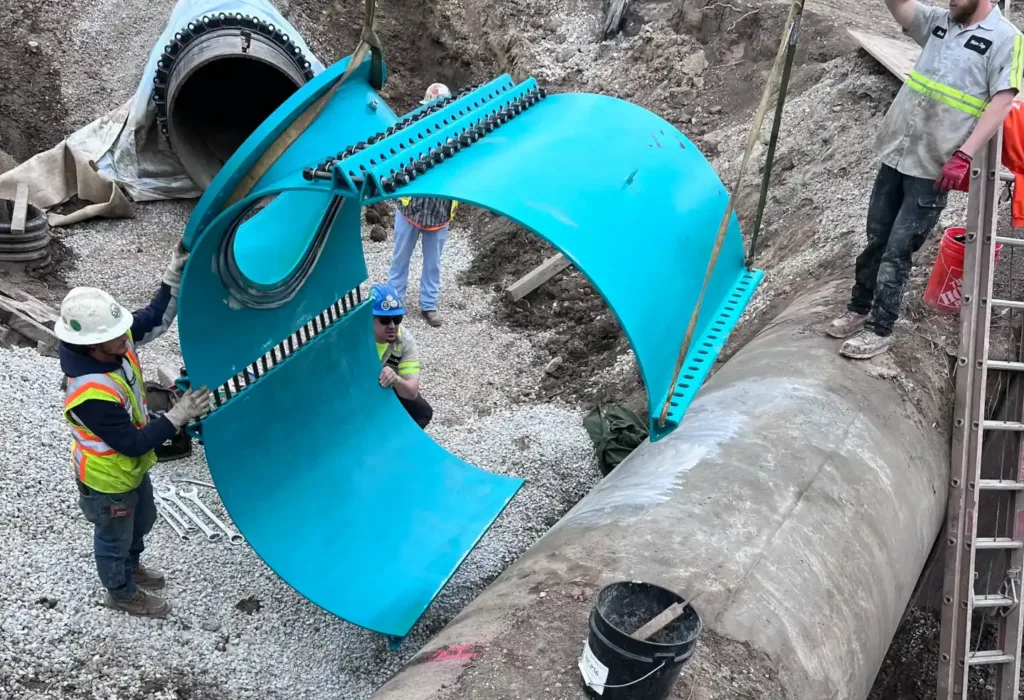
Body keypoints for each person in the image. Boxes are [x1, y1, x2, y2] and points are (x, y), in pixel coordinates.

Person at [827, 0, 1022, 359]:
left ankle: (879, 328)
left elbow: (1003, 100)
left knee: (898, 249)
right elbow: (899, 5)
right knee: (876, 239)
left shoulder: (1006, 38)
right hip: (898, 150)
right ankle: (858, 308)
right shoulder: (938, 22)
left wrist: (964, 154)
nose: (951, 0)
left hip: (936, 163)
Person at [56, 243, 211, 618]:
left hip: (131, 469)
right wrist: (178, 415)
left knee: (143, 520)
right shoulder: (90, 393)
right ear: (93, 346)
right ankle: (121, 591)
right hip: (108, 479)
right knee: (113, 536)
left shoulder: (112, 345)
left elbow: (154, 317)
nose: (129, 338)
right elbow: (130, 442)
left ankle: (132, 565)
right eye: (118, 335)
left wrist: (173, 276)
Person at [387, 83, 459, 328]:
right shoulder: (412, 132)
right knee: (400, 258)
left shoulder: (457, 134)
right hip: (411, 208)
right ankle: (394, 302)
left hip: (439, 210)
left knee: (433, 262)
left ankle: (429, 305)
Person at [370, 282, 433, 428]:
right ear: (370, 318)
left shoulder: (404, 340)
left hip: (384, 388)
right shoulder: (355, 335)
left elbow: (411, 392)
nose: (392, 326)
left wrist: (396, 380)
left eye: (397, 319)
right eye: (385, 320)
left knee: (422, 411)